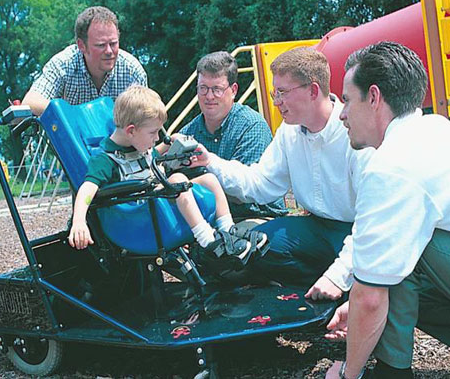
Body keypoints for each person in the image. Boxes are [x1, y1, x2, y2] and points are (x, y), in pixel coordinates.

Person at [190, 47, 373, 298]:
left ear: (313, 90)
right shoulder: (289, 132)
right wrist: (209, 160)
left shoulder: (355, 131)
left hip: (359, 229)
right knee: (256, 246)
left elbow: (372, 222)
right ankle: (318, 296)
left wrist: (337, 276)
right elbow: (260, 184)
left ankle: (347, 293)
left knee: (366, 265)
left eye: (283, 93)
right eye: (275, 93)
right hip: (317, 228)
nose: (276, 102)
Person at [325, 41, 450, 378]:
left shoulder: (390, 166)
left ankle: (392, 373)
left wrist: (348, 373)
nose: (342, 113)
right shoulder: (435, 126)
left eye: (348, 100)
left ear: (375, 98)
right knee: (401, 249)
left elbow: (371, 296)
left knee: (392, 262)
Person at [67, 85, 267, 265]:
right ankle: (208, 242)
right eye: (153, 133)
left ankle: (227, 231)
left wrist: (171, 144)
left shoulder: (138, 145)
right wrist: (79, 221)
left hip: (154, 202)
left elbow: (154, 155)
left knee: (208, 178)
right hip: (138, 216)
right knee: (178, 180)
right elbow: (87, 188)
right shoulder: (105, 160)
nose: (156, 138)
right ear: (131, 130)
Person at [179, 51, 286, 219]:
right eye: (203, 88)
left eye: (217, 89)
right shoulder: (188, 132)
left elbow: (245, 193)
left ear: (234, 90)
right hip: (209, 218)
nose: (209, 96)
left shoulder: (251, 127)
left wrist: (187, 188)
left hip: (257, 216)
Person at [22, 6, 147, 116]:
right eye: (101, 45)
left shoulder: (132, 71)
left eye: (113, 43)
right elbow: (31, 101)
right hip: (67, 141)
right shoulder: (63, 64)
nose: (109, 51)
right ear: (81, 45)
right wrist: (77, 115)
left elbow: (145, 119)